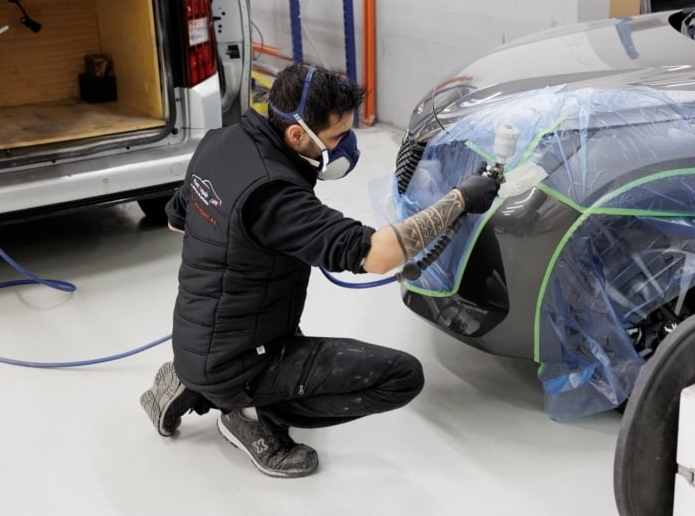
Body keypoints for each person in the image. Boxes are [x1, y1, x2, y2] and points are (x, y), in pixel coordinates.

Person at [140, 63, 500, 478]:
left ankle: (191, 378)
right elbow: (376, 255)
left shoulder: (221, 142)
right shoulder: (273, 195)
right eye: (337, 138)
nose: (346, 146)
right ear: (296, 135)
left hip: (195, 338)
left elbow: (176, 219)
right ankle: (248, 414)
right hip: (242, 362)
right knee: (402, 377)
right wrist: (458, 199)